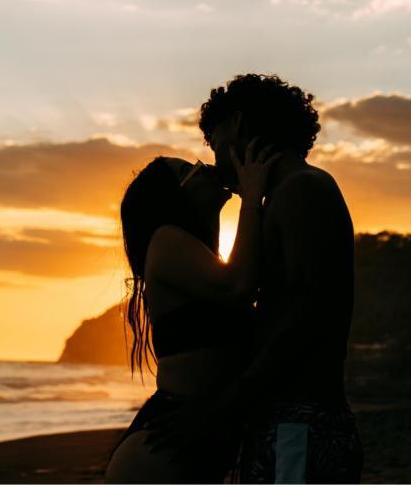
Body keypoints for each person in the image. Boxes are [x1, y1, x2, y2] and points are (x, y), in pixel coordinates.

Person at [145, 73, 363, 483]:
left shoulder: (302, 189)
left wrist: (225, 406)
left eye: (213, 144)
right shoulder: (281, 195)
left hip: (300, 419)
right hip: (284, 417)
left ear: (239, 127)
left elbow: (307, 315)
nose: (213, 161)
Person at [104, 140, 280, 483]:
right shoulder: (165, 240)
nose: (204, 167)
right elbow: (239, 286)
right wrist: (251, 195)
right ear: (175, 196)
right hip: (164, 446)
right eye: (189, 169)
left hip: (189, 435)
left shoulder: (201, 258)